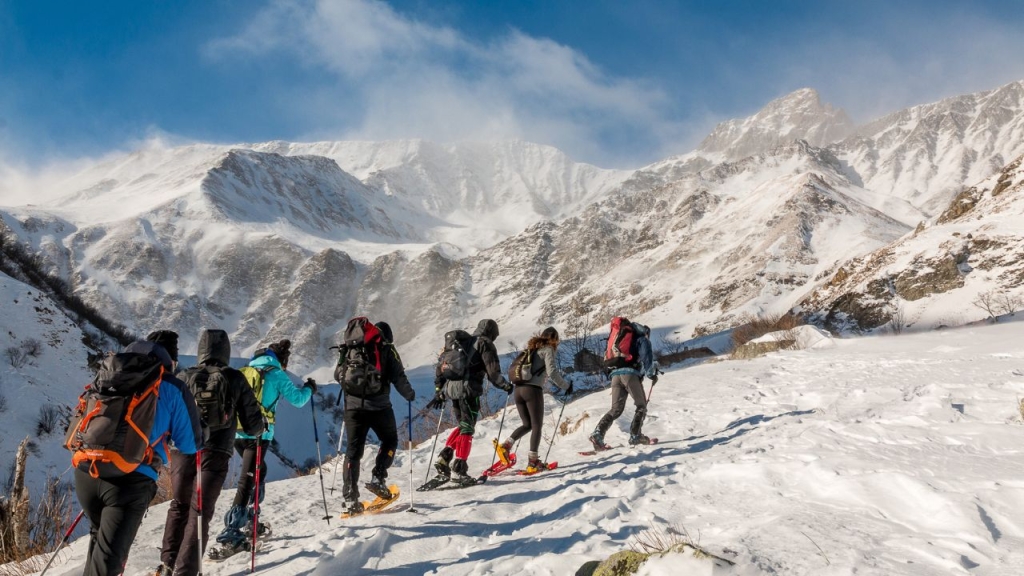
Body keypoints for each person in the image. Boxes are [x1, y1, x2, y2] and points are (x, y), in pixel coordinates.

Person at [71, 340, 200, 576]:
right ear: (166, 365)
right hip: (130, 481)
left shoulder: (107, 379)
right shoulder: (171, 387)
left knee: (99, 544)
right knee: (108, 565)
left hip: (87, 473)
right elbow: (189, 444)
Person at [156, 329, 266, 576]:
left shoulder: (184, 375)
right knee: (200, 511)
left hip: (182, 450)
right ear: (226, 351)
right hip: (215, 452)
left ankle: (167, 565)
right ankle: (186, 572)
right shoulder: (234, 377)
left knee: (179, 505)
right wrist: (260, 426)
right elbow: (252, 426)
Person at [210, 339, 314, 560]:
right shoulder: (276, 374)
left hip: (236, 433)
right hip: (258, 436)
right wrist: (309, 388)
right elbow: (298, 400)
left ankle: (251, 519)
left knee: (259, 472)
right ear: (280, 360)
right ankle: (232, 532)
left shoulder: (242, 371)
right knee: (248, 479)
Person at [336, 321, 416, 514]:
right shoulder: (386, 348)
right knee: (389, 440)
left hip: (353, 408)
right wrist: (409, 394)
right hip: (379, 407)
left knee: (353, 452)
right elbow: (398, 376)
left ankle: (350, 499)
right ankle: (378, 477)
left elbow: (338, 375)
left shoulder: (351, 348)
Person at [427, 319, 513, 485]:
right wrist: (505, 385)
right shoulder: (484, 343)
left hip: (452, 390)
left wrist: (439, 391)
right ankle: (459, 470)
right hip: (468, 389)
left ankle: (444, 458)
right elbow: (492, 372)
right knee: (467, 427)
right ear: (492, 333)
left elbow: (440, 369)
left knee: (462, 425)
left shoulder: (463, 343)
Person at [495, 326, 572, 472]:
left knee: (527, 424)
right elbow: (552, 372)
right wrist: (566, 386)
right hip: (532, 391)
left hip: (518, 390)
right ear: (554, 339)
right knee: (537, 425)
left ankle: (506, 446)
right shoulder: (548, 349)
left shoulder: (530, 350)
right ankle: (533, 462)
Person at [589, 322, 658, 448]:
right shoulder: (642, 339)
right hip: (630, 375)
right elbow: (646, 356)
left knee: (615, 409)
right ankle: (636, 435)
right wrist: (651, 373)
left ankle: (598, 434)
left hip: (615, 376)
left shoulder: (620, 340)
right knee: (641, 405)